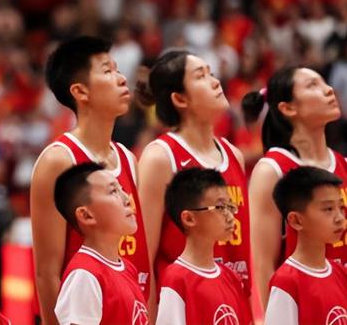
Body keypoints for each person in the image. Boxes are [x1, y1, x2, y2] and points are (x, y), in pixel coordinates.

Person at [30, 36, 150, 324]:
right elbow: (47, 273)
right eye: (108, 71)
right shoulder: (58, 160)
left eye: (118, 69)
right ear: (80, 91)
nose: (122, 78)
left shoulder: (128, 158)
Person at [135, 50, 251, 301]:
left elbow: (244, 253)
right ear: (180, 98)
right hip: (184, 304)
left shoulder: (234, 155)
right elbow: (145, 257)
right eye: (201, 76)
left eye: (212, 73)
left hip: (232, 302)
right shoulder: (160, 157)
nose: (215, 82)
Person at [242, 66, 347, 307]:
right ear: (288, 108)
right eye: (313, 85)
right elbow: (263, 265)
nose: (329, 90)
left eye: (324, 82)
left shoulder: (343, 164)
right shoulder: (272, 170)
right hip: (304, 309)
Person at [53, 162, 149, 325]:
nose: (127, 198)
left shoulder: (128, 268)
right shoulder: (84, 275)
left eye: (122, 189)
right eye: (113, 191)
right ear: (86, 215)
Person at [157, 168, 252, 325]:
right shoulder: (176, 279)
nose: (231, 217)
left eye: (230, 206)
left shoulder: (231, 277)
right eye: (220, 208)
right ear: (189, 218)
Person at [264, 167, 347, 324]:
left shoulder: (341, 273)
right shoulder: (287, 281)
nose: (340, 218)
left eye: (341, 207)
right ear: (296, 220)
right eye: (328, 209)